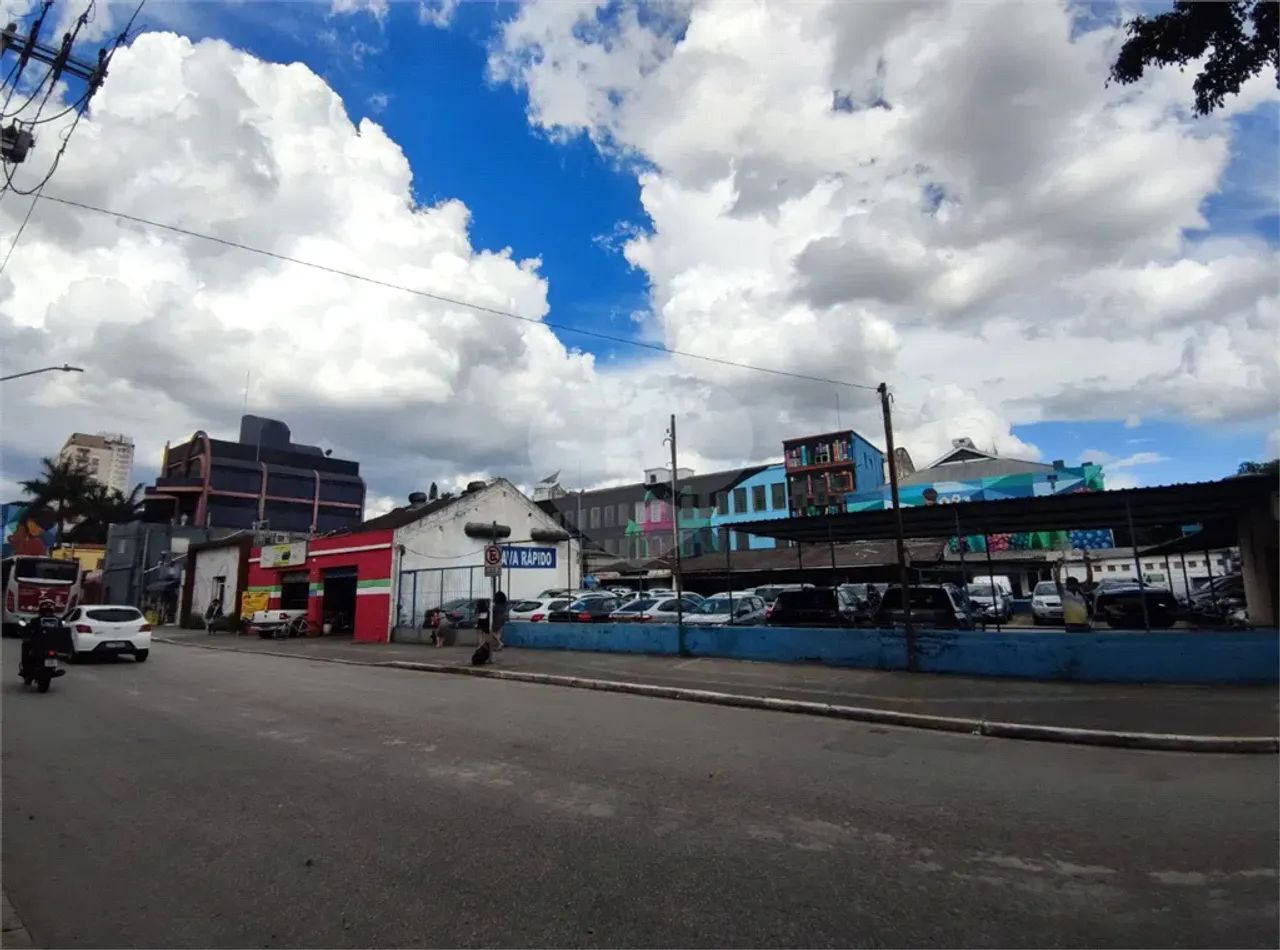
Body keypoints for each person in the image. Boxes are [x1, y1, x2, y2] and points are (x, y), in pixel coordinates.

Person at [20, 600, 66, 678]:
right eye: (46, 611)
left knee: (26, 647)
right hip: (43, 645)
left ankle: (26, 670)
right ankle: (26, 670)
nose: (47, 613)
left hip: (47, 645)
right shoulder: (57, 620)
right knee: (27, 648)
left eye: (48, 611)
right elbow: (29, 631)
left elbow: (62, 632)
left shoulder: (36, 620)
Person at [1053, 552, 1094, 632]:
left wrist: (1088, 565)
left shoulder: (1080, 592)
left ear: (1077, 585)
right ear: (1067, 585)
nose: (1072, 586)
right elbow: (1057, 581)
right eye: (1070, 584)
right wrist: (1059, 566)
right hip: (1071, 626)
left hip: (1084, 625)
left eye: (1073, 584)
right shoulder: (1064, 594)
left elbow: (1089, 580)